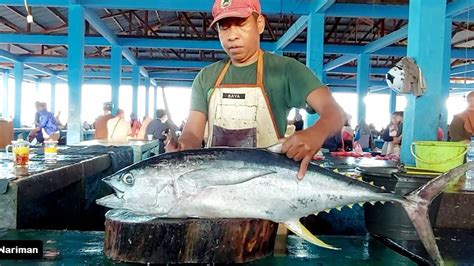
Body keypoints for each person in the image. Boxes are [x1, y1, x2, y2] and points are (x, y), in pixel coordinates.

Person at [166, 0, 344, 179]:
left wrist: (316, 133)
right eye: (224, 27)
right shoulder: (206, 77)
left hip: (267, 182)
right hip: (216, 183)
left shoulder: (286, 71)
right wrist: (181, 147)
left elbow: (335, 113)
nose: (232, 36)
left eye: (241, 24)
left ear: (259, 24)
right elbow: (193, 134)